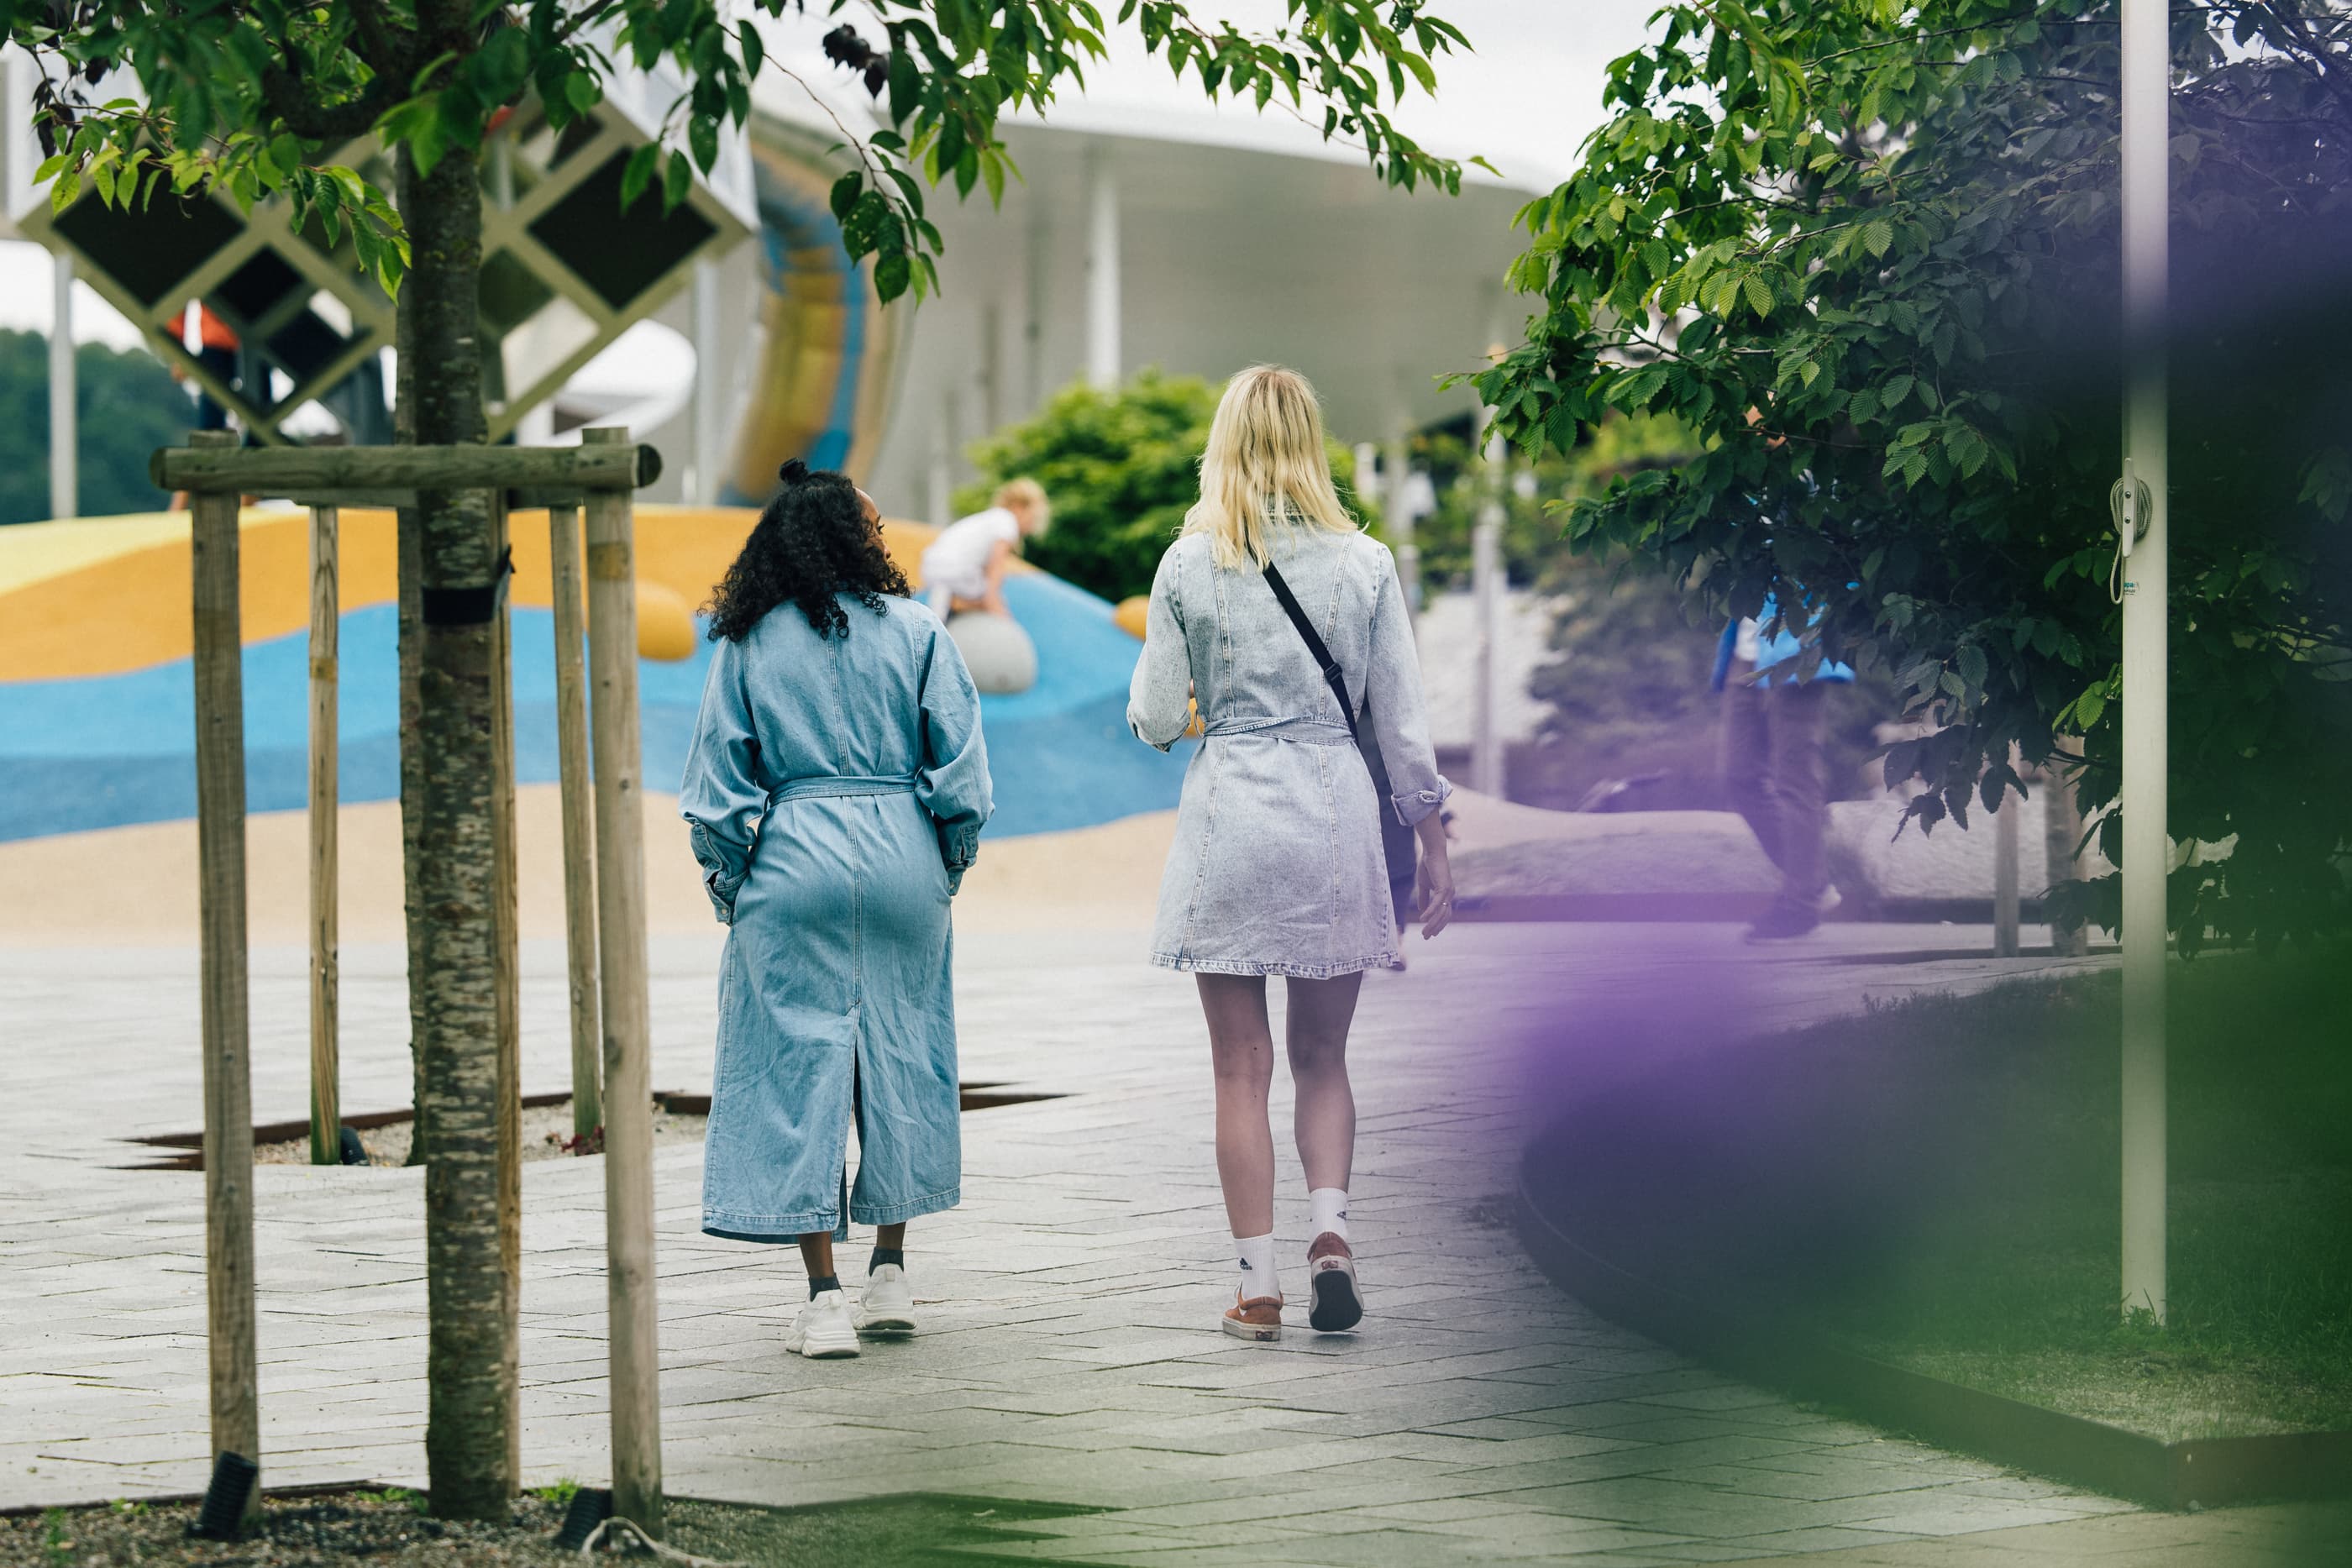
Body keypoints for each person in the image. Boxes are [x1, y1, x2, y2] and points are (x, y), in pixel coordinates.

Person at [1127, 365, 1455, 1343]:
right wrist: (1433, 842)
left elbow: (1151, 714)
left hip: (1231, 812)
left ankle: (1256, 1285)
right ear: (1313, 445)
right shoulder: (1365, 564)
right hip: (1332, 814)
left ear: (1223, 442)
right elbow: (1401, 724)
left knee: (1240, 1067)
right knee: (1323, 1056)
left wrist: (1193, 718)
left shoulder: (1189, 564)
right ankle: (1332, 1236)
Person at [681, 459, 993, 1360]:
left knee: (792, 1069)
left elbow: (716, 790)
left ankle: (823, 1297)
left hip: (792, 856)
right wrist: (940, 868)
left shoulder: (748, 640)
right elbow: (963, 777)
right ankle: (890, 1274)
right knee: (900, 1052)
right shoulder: (919, 629)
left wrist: (734, 888)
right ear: (859, 540)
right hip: (902, 852)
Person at [1712, 592, 1854, 941]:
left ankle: (1801, 904)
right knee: (1737, 774)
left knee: (1795, 777)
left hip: (1799, 645)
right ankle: (1813, 882)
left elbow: (1844, 565)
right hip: (1744, 653)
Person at [919, 478, 1050, 617]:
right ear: (1019, 507)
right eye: (1033, 518)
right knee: (989, 594)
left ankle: (950, 611)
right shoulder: (1007, 522)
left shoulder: (992, 518)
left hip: (932, 566)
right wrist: (1000, 613)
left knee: (942, 607)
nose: (1031, 526)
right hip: (952, 570)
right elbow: (995, 571)